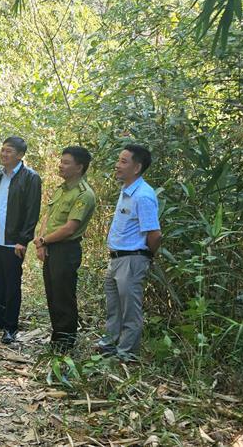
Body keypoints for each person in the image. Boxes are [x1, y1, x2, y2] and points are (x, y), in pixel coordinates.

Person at [96, 144, 161, 362]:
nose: (117, 165)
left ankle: (126, 352)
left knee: (130, 309)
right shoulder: (126, 191)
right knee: (114, 306)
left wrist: (146, 257)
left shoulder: (143, 195)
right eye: (119, 160)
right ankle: (110, 343)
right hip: (116, 259)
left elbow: (154, 234)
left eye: (123, 162)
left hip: (132, 259)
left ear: (137, 167)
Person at [0, 136, 42, 344]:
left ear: (20, 155)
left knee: (12, 283)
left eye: (9, 151)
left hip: (13, 241)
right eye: (3, 150)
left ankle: (11, 326)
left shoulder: (30, 178)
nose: (4, 154)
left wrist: (23, 240)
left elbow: (32, 212)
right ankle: (0, 317)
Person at [32, 146, 95, 350]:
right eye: (61, 161)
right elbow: (48, 217)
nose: (60, 165)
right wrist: (41, 241)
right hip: (51, 246)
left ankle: (66, 341)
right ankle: (56, 337)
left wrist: (45, 241)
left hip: (66, 250)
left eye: (66, 162)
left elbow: (70, 228)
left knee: (64, 296)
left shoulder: (84, 194)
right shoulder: (61, 189)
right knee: (52, 294)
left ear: (79, 167)